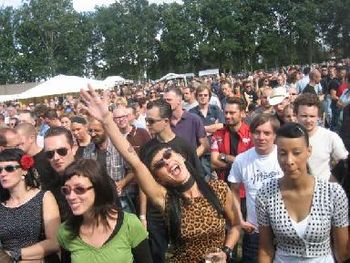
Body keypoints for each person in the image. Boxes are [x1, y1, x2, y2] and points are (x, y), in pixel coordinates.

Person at [80, 85, 241, 263]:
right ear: (157, 178)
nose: (167, 162)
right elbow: (132, 159)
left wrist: (226, 251)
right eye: (159, 165)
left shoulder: (218, 189)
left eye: (167, 155)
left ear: (179, 156)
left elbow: (235, 226)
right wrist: (106, 119)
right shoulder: (166, 201)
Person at [256, 122, 349, 262]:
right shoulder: (265, 194)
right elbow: (265, 249)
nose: (289, 161)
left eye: (296, 153)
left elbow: (343, 253)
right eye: (282, 153)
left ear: (309, 151)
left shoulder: (333, 193)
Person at [57, 159, 152, 263]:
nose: (71, 197)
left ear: (98, 189)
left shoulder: (130, 224)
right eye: (66, 190)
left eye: (79, 189)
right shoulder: (66, 232)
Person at [228, 113, 283, 263]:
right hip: (254, 230)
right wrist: (240, 219)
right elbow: (233, 190)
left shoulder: (284, 156)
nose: (261, 137)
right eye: (257, 132)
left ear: (275, 135)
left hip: (283, 230)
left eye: (267, 133)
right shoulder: (242, 160)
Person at [0, 148, 60, 262]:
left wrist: (14, 254)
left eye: (9, 169)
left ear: (24, 170)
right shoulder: (2, 204)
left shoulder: (44, 197)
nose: (3, 174)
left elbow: (54, 242)